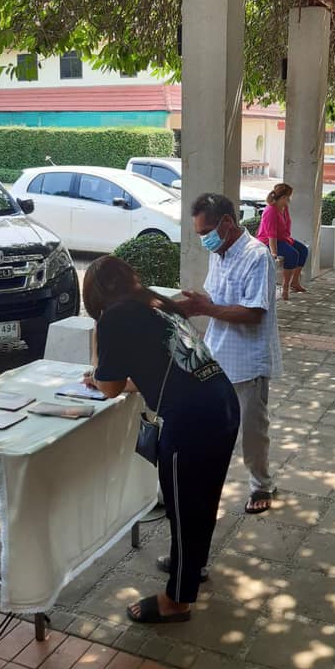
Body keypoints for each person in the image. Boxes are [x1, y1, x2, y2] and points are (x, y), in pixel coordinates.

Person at [82, 255, 239, 624]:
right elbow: (159, 369)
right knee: (203, 499)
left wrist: (98, 335)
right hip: (221, 402)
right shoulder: (158, 305)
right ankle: (193, 566)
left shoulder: (115, 317)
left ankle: (177, 600)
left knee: (183, 508)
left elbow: (108, 387)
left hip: (190, 419)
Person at [180, 193, 281, 515]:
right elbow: (215, 300)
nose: (204, 240)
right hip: (216, 355)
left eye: (206, 232)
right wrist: (187, 308)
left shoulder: (256, 256)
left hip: (248, 361)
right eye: (199, 234)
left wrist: (207, 308)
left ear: (226, 222)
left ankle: (261, 485)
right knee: (207, 425)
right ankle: (202, 482)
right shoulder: (219, 254)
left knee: (252, 431)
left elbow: (254, 313)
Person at [256, 183, 308, 301]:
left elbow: (286, 226)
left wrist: (287, 240)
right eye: (289, 196)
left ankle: (295, 281)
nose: (290, 199)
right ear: (284, 197)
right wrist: (274, 253)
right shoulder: (271, 211)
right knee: (292, 254)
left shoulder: (284, 208)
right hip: (268, 241)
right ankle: (285, 287)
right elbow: (271, 235)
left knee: (303, 250)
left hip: (283, 238)